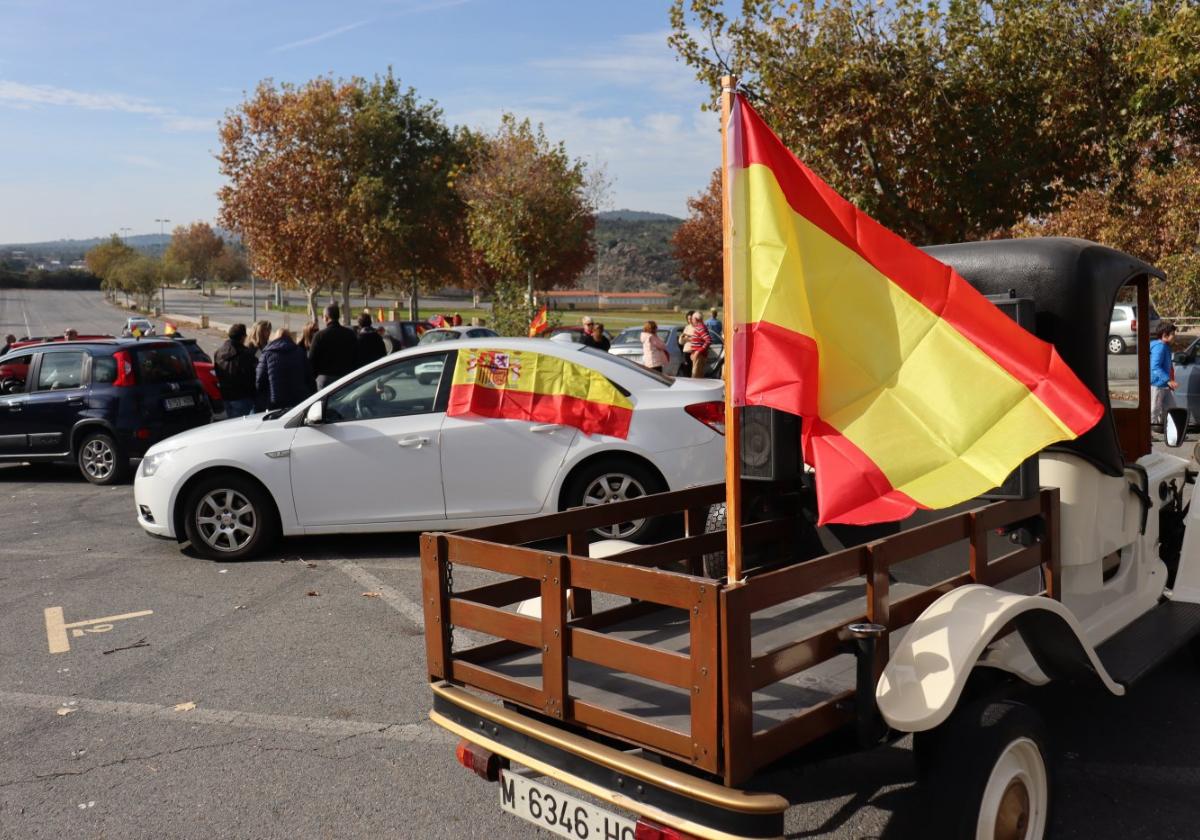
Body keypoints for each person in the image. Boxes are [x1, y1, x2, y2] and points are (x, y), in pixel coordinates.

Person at [256, 328, 313, 411]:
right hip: (298, 399)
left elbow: (260, 380)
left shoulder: (267, 354)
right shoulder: (300, 352)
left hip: (275, 400)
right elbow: (309, 376)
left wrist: (263, 399)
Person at [213, 323, 258, 418]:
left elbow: (217, 372)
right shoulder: (246, 354)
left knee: (232, 425)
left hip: (226, 396)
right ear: (243, 337)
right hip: (242, 397)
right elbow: (252, 375)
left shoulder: (218, 352)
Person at [307, 303, 357, 389]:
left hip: (326, 381)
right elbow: (357, 356)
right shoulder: (350, 334)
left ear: (326, 317)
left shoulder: (319, 336)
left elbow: (311, 361)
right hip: (347, 379)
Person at [1151, 321, 1178, 429]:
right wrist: (1168, 380)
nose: (1174, 337)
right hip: (1157, 384)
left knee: (1171, 408)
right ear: (1164, 335)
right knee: (1154, 410)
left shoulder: (1165, 346)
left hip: (1165, 385)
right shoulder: (1160, 347)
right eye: (1172, 334)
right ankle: (1149, 434)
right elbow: (1155, 367)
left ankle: (1172, 433)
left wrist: (1169, 381)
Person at [687, 311, 712, 378]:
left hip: (699, 356)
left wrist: (698, 352)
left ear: (696, 319)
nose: (692, 321)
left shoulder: (701, 328)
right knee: (697, 376)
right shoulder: (700, 327)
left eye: (692, 319)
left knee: (696, 377)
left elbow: (708, 340)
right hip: (698, 355)